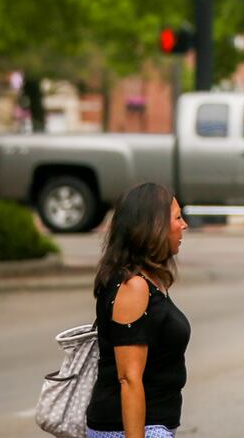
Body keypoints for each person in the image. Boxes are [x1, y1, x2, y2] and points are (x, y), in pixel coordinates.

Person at [86, 182, 191, 438]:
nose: (184, 224)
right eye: (177, 217)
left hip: (151, 426)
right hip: (129, 430)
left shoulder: (145, 280)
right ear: (153, 227)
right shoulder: (133, 287)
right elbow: (129, 379)